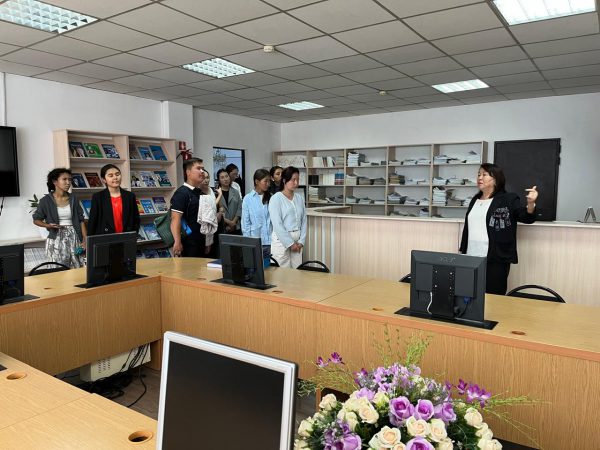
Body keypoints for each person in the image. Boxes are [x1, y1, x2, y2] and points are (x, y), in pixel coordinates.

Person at [459, 163, 538, 295]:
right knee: (470, 293)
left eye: (484, 174)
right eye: (478, 174)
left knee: (493, 295)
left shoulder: (508, 199)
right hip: (471, 255)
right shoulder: (475, 200)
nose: (480, 177)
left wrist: (531, 204)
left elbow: (526, 217)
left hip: (496, 257)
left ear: (495, 179)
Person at [32, 168, 87, 268]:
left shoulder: (73, 198)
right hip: (55, 239)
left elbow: (81, 220)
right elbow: (36, 219)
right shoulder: (45, 201)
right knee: (57, 269)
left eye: (70, 179)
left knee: (77, 267)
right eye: (64, 179)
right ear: (55, 182)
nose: (68, 182)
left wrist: (85, 239)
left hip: (75, 237)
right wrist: (48, 225)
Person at [268, 166, 307, 268]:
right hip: (281, 241)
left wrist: (301, 241)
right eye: (293, 180)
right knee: (282, 273)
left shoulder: (299, 198)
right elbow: (277, 224)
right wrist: (290, 243)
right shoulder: (276, 199)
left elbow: (304, 221)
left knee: (297, 271)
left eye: (298, 180)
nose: (296, 183)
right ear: (285, 180)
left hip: (297, 241)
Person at [88, 164, 140, 236]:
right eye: (111, 176)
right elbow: (92, 221)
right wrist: (89, 239)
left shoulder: (130, 196)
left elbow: (136, 219)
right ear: (104, 180)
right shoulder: (98, 197)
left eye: (117, 174)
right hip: (105, 238)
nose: (115, 177)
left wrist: (133, 235)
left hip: (126, 237)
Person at [170, 158, 206, 257]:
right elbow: (175, 219)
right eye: (198, 168)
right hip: (188, 243)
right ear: (188, 172)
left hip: (200, 240)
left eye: (203, 169)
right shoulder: (181, 193)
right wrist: (177, 242)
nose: (202, 171)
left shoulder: (199, 192)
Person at [242, 169, 273, 261]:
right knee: (256, 267)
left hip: (271, 241)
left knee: (271, 268)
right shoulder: (248, 199)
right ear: (257, 181)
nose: (268, 184)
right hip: (256, 241)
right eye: (265, 181)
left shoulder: (271, 197)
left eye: (269, 181)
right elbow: (245, 223)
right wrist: (247, 242)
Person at [197, 169, 222, 256]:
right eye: (203, 178)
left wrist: (220, 212)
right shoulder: (197, 193)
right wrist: (220, 195)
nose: (206, 180)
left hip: (216, 226)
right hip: (203, 230)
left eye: (207, 178)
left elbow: (220, 206)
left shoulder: (213, 190)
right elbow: (211, 207)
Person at [216, 168, 242, 235]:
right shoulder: (216, 194)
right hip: (222, 228)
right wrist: (229, 223)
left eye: (226, 176)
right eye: (222, 177)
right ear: (219, 180)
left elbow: (239, 208)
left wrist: (233, 222)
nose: (225, 179)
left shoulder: (235, 192)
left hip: (235, 227)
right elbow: (215, 212)